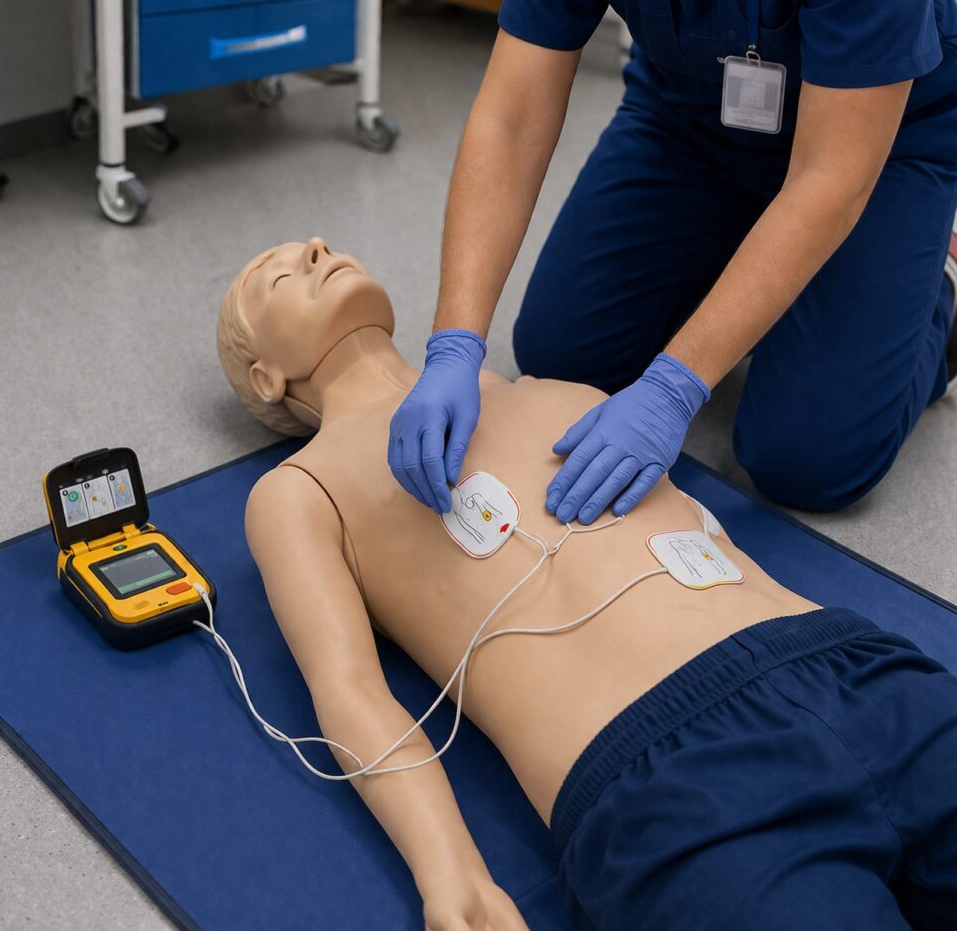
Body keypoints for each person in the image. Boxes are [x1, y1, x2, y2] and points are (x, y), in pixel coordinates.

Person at [218, 238, 957, 931]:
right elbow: (349, 690)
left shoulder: (554, 390)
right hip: (675, 783)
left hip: (854, 672)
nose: (316, 249)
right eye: (280, 274)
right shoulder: (298, 491)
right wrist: (453, 874)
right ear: (265, 379)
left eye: (320, 243)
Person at [388, 0, 957, 524]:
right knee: (563, 358)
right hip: (692, 115)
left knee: (808, 459)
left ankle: (940, 295)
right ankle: (751, 278)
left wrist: (672, 387)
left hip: (884, 138)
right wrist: (455, 342)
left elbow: (830, 177)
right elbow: (512, 116)